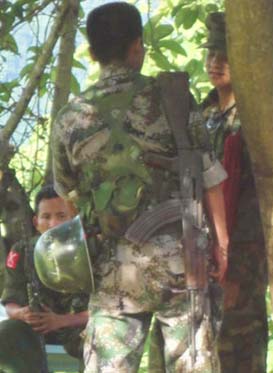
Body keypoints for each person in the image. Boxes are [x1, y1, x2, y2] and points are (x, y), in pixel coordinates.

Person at [51, 2, 229, 372]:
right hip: (183, 265)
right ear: (137, 47)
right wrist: (221, 246)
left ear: (92, 51)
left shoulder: (70, 118)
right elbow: (210, 178)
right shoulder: (174, 99)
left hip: (114, 272)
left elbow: (68, 199)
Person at [148, 12, 268, 373]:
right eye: (211, 54)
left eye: (225, 55)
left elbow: (253, 195)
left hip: (242, 250)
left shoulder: (255, 116)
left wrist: (236, 266)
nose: (214, 63)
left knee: (236, 339)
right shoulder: (201, 113)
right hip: (195, 246)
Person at [0, 185, 89, 367]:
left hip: (78, 329)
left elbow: (108, 311)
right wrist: (21, 314)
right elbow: (10, 301)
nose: (54, 224)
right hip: (36, 332)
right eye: (46, 217)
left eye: (61, 216)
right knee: (6, 332)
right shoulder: (23, 251)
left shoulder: (90, 250)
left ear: (74, 218)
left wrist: (61, 321)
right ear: (36, 222)